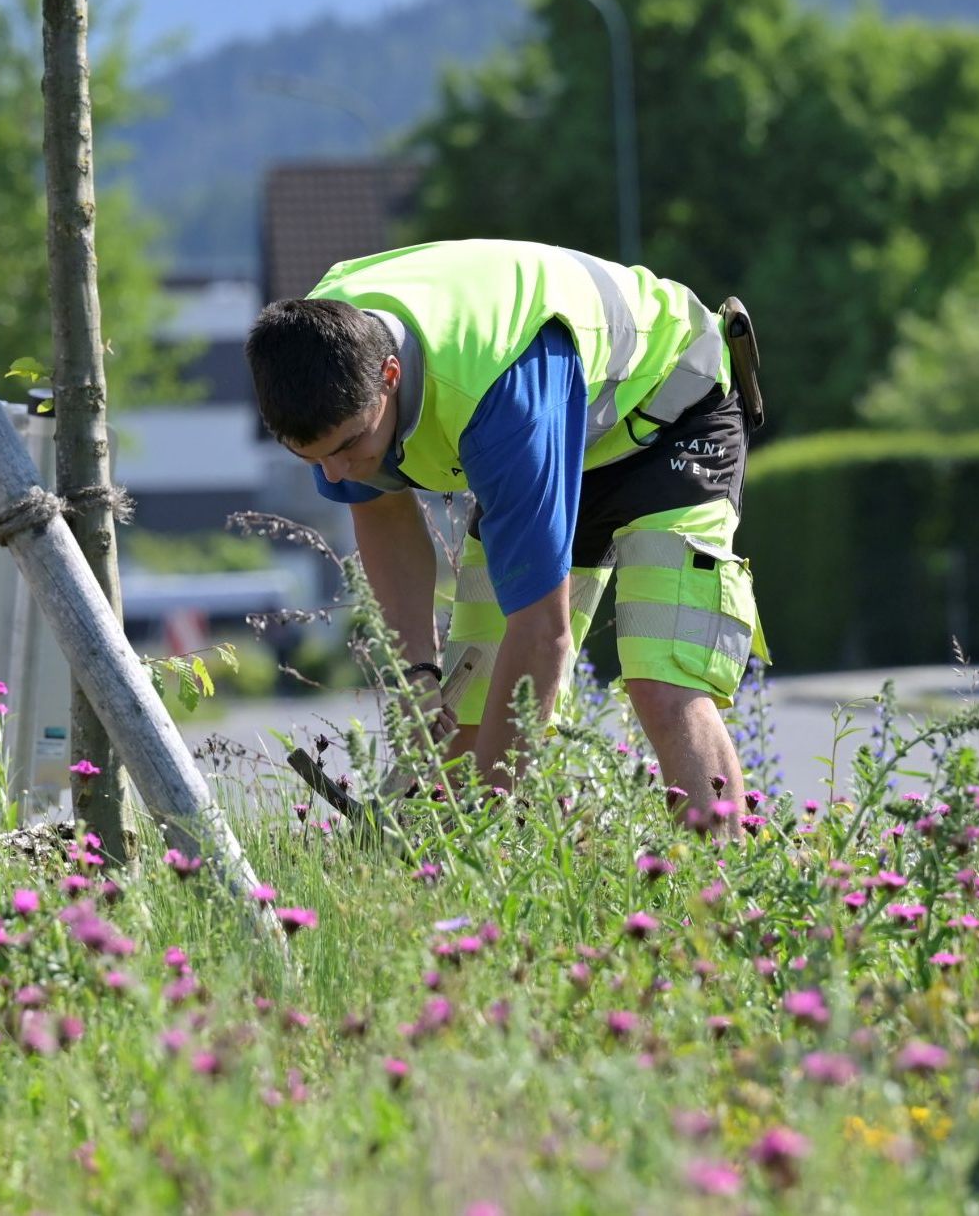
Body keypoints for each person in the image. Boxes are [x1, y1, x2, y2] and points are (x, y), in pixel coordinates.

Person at [244, 238, 766, 825]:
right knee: (469, 704)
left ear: (390, 376)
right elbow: (381, 512)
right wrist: (417, 673)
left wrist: (480, 826)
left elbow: (542, 633)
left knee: (662, 685)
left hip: (675, 411)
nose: (335, 475)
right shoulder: (315, 350)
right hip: (562, 426)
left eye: (347, 447)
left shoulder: (498, 399)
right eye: (311, 459)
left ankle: (717, 878)